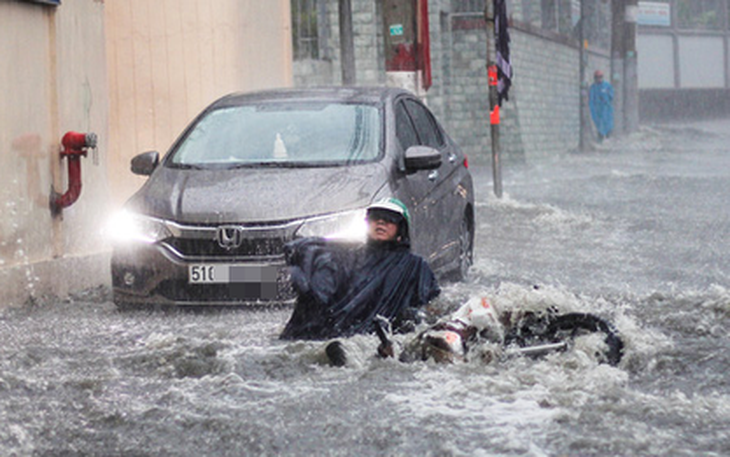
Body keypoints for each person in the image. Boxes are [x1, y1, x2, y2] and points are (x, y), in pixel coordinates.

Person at [280, 198, 441, 352]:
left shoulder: (415, 266)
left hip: (383, 334)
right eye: (375, 218)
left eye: (389, 219)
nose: (381, 222)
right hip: (343, 330)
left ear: (401, 228)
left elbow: (430, 307)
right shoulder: (347, 256)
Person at [589, 69, 614, 142]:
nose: (598, 79)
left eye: (600, 77)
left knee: (608, 123)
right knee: (599, 124)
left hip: (606, 108)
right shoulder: (593, 87)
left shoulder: (607, 86)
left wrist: (606, 99)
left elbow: (611, 96)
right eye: (597, 77)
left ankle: (608, 136)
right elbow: (591, 99)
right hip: (597, 110)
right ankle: (600, 137)